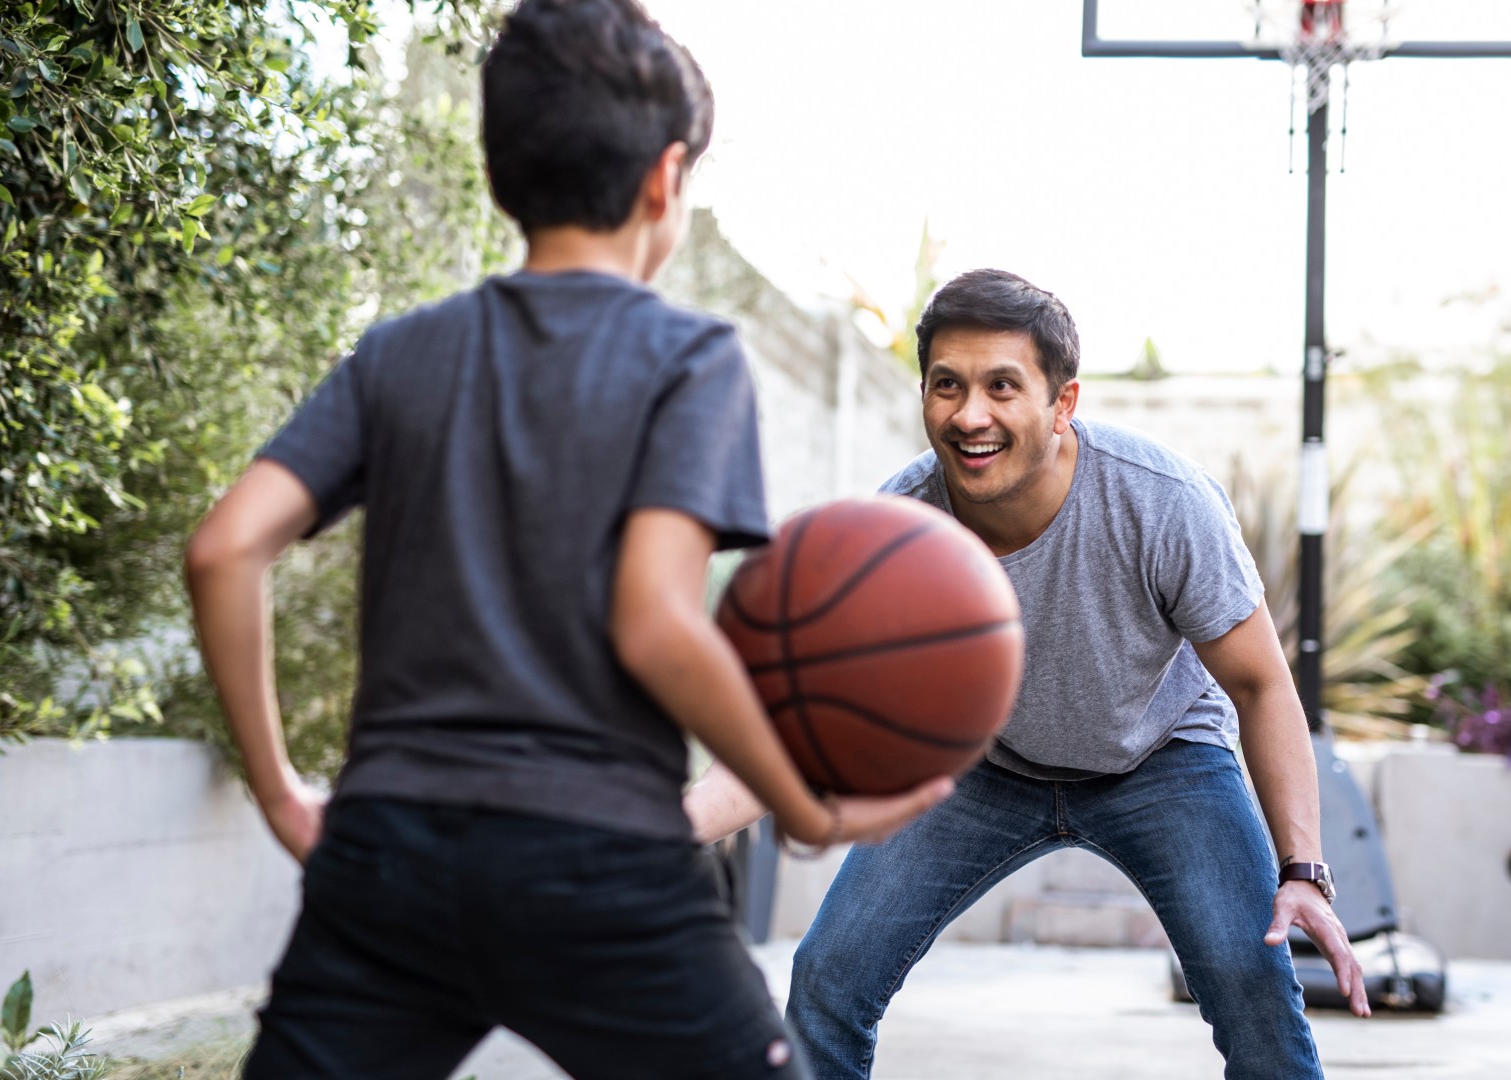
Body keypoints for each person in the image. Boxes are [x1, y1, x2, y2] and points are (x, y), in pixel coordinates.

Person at [182, 2, 950, 1076]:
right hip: (599, 859)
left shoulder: (401, 353)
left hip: (387, 851)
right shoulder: (688, 359)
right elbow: (655, 623)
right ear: (664, 181)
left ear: (502, 173)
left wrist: (279, 791)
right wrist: (799, 804)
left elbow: (223, 549)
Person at [687, 269, 1369, 1079]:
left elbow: (1261, 685)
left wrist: (1304, 872)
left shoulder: (1162, 503)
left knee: (1252, 982)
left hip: (1162, 757)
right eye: (947, 385)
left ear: (1063, 401)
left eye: (1001, 386)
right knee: (829, 978)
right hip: (981, 765)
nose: (969, 415)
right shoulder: (901, 527)